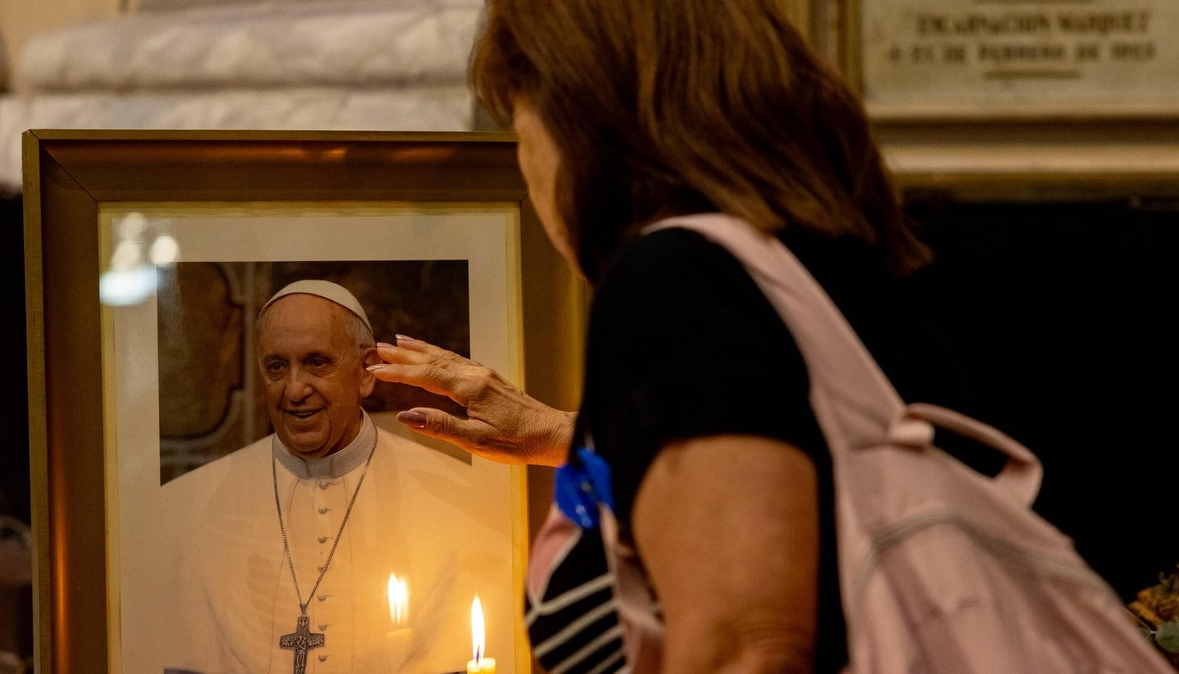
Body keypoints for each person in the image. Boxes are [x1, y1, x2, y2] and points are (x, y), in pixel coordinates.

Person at [369, 1, 949, 671]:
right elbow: (786, 452)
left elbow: (743, 647)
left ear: (585, 124)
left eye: (522, 130)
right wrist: (570, 434)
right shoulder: (831, 263)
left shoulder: (674, 277)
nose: (528, 181)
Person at [153, 279, 516, 674]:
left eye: (316, 362)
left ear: (366, 372)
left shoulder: (452, 500)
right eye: (277, 366)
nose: (294, 390)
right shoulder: (194, 507)